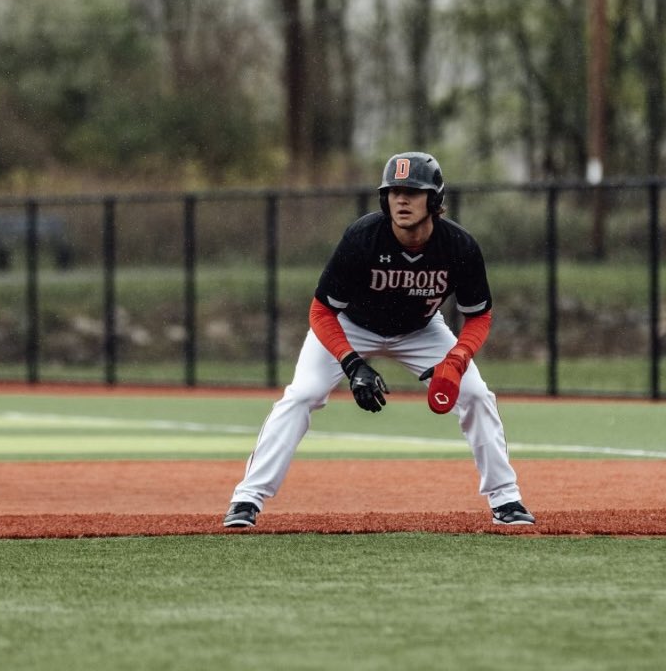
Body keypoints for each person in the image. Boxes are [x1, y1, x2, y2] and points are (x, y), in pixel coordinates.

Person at [223, 151, 534, 528]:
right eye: (393, 191)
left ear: (434, 200)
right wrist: (352, 364)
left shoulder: (459, 247)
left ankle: (506, 499)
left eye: (413, 192)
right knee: (302, 395)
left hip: (421, 330)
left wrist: (456, 359)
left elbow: (478, 315)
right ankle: (246, 499)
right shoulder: (363, 238)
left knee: (475, 395)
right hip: (349, 326)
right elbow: (321, 311)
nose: (401, 200)